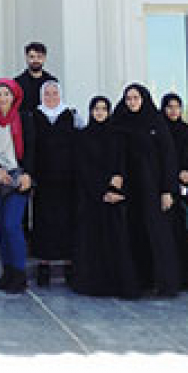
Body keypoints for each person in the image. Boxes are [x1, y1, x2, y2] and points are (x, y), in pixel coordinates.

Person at [110, 83, 180, 297]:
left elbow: (168, 157)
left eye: (136, 98)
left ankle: (165, 283)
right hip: (129, 189)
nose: (132, 102)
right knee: (133, 233)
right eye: (128, 98)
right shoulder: (119, 122)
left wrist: (167, 190)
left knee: (158, 234)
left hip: (152, 187)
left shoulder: (156, 122)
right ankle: (138, 281)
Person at [70, 96, 140, 299]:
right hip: (90, 198)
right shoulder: (82, 137)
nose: (99, 113)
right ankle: (92, 284)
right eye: (96, 109)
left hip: (114, 197)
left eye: (103, 109)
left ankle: (116, 284)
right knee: (91, 242)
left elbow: (122, 165)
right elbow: (82, 168)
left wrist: (115, 189)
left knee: (115, 240)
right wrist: (101, 190)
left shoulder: (117, 136)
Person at [0, 79, 33, 294]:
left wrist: (28, 173)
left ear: (14, 96)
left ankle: (20, 274)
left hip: (19, 179)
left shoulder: (25, 118)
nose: (2, 98)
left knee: (13, 225)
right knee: (1, 228)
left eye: (6, 94)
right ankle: (8, 272)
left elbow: (32, 148)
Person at [31, 80, 81, 287]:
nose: (51, 97)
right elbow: (30, 146)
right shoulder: (34, 116)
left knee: (67, 220)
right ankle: (44, 265)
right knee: (44, 221)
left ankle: (69, 265)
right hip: (43, 179)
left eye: (54, 93)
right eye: (47, 94)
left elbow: (79, 145)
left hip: (67, 179)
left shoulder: (71, 116)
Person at [160, 93, 188, 289]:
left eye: (177, 107)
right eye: (169, 107)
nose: (173, 111)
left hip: (186, 191)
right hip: (166, 190)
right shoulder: (159, 131)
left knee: (187, 232)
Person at [14, 42, 58, 113]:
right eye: (32, 57)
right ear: (26, 58)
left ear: (44, 58)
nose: (35, 60)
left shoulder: (52, 81)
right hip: (25, 122)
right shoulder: (17, 82)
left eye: (39, 57)